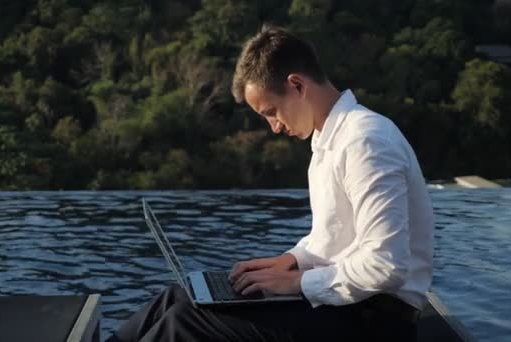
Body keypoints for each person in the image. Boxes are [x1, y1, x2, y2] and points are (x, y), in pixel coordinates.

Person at [107, 25, 434, 342]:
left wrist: (294, 283)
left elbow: (385, 265)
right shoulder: (328, 141)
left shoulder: (365, 142)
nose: (274, 127)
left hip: (373, 321)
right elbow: (333, 239)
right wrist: (289, 261)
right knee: (177, 298)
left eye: (271, 111)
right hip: (344, 307)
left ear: (297, 85)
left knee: (183, 323)